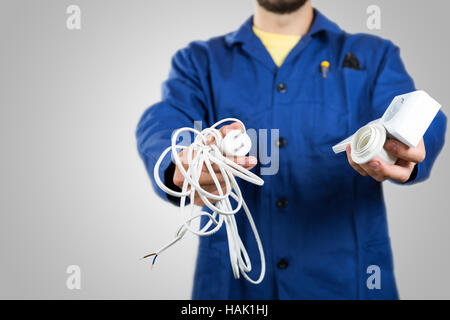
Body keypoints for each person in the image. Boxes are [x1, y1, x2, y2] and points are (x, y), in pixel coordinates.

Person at [136, 0, 447, 299]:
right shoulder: (199, 61)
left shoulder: (374, 56)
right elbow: (164, 118)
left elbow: (419, 112)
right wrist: (177, 159)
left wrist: (412, 137)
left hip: (346, 285)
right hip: (234, 288)